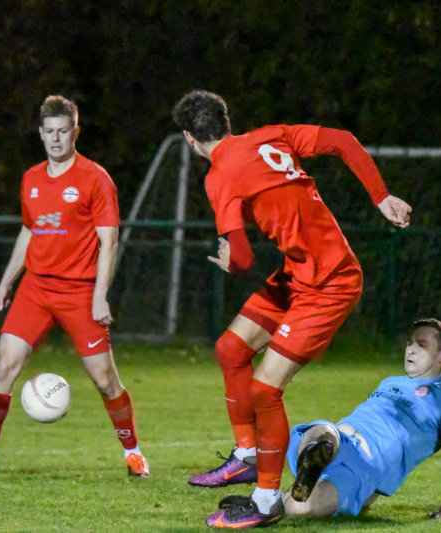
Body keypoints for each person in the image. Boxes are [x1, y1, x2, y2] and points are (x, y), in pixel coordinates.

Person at [172, 90, 412, 528]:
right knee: (231, 349)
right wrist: (381, 198)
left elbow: (242, 259)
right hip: (299, 272)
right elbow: (343, 140)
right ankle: (247, 456)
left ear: (189, 138)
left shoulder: (219, 176)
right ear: (227, 122)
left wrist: (228, 260)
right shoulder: (271, 135)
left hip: (329, 284)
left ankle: (266, 501)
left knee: (265, 390)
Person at [0, 95, 149, 477]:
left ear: (75, 132)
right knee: (4, 365)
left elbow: (109, 241)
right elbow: (29, 232)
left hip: (80, 292)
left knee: (105, 379)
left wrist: (100, 297)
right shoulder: (31, 179)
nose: (56, 139)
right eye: (49, 131)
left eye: (63, 131)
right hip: (35, 289)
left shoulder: (95, 179)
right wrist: (6, 283)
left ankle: (134, 454)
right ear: (40, 133)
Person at [212, 318, 441, 523]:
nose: (410, 349)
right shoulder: (390, 382)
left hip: (366, 469)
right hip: (342, 439)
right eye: (409, 342)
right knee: (325, 433)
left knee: (301, 510)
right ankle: (316, 455)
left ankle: (270, 501)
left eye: (421, 345)